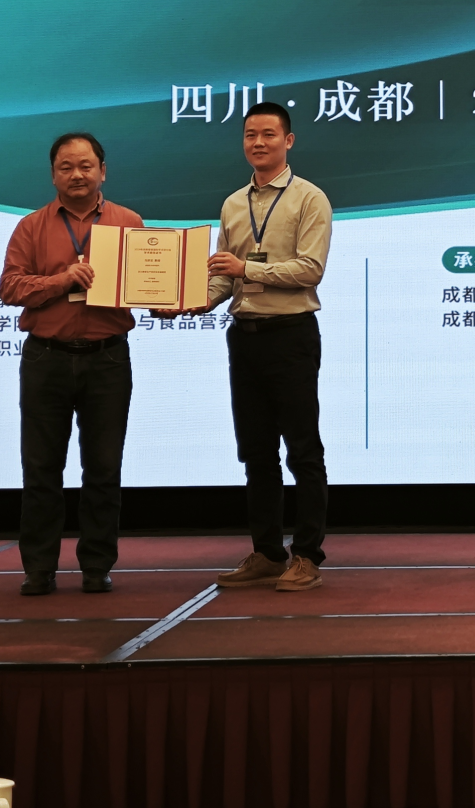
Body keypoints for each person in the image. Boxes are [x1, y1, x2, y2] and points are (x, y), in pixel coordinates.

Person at [0, 131, 143, 596]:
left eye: (86, 165)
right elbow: (10, 288)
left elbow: (147, 283)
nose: (77, 174)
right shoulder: (31, 227)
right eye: (66, 167)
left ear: (103, 171)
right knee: (41, 469)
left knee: (104, 468)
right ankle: (39, 568)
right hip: (47, 358)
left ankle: (97, 566)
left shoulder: (129, 222)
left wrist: (169, 297)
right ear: (53, 175)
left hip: (108, 359)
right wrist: (62, 281)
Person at [205, 102, 334, 592]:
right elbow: (225, 277)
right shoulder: (233, 204)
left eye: (268, 134)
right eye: (250, 135)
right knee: (256, 452)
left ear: (288, 141)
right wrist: (193, 302)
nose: (258, 143)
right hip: (245, 337)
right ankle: (267, 553)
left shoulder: (309, 199)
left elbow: (310, 269)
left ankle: (307, 555)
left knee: (303, 450)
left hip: (291, 335)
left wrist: (247, 269)